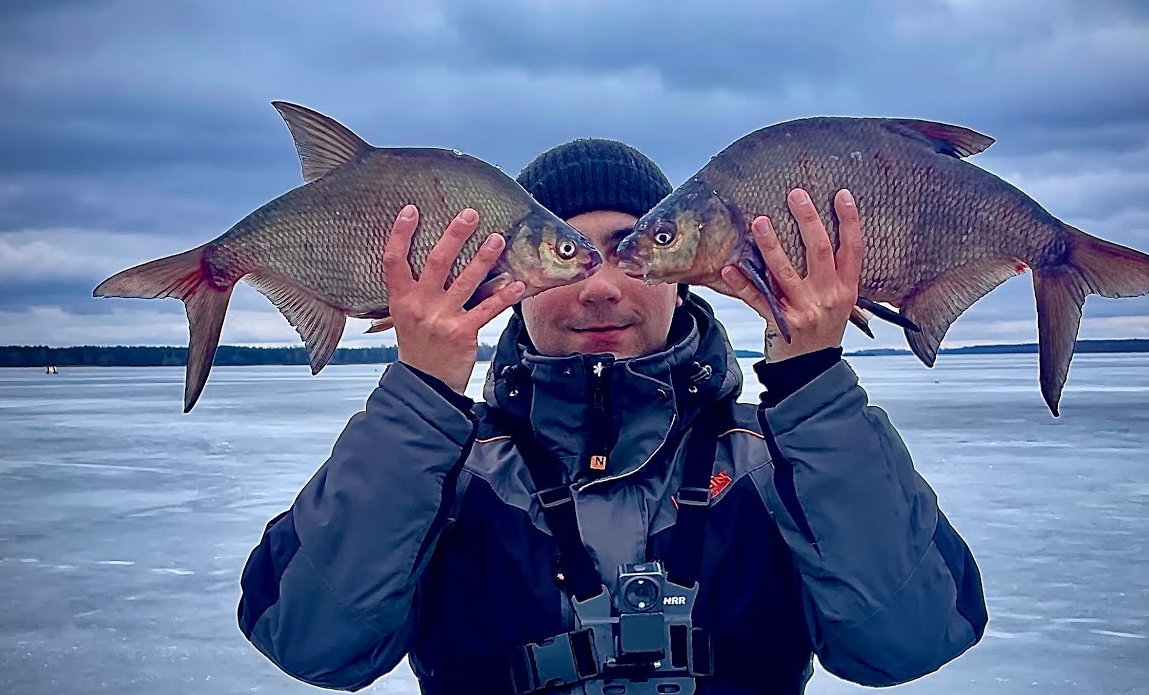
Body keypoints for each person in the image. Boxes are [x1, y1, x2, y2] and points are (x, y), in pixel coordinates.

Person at [236, 138, 988, 693]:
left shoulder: (776, 458)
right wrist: (420, 395)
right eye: (570, 255)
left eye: (630, 249)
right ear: (504, 279)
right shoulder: (443, 466)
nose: (599, 287)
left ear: (686, 276)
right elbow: (312, 642)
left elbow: (910, 639)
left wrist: (814, 382)